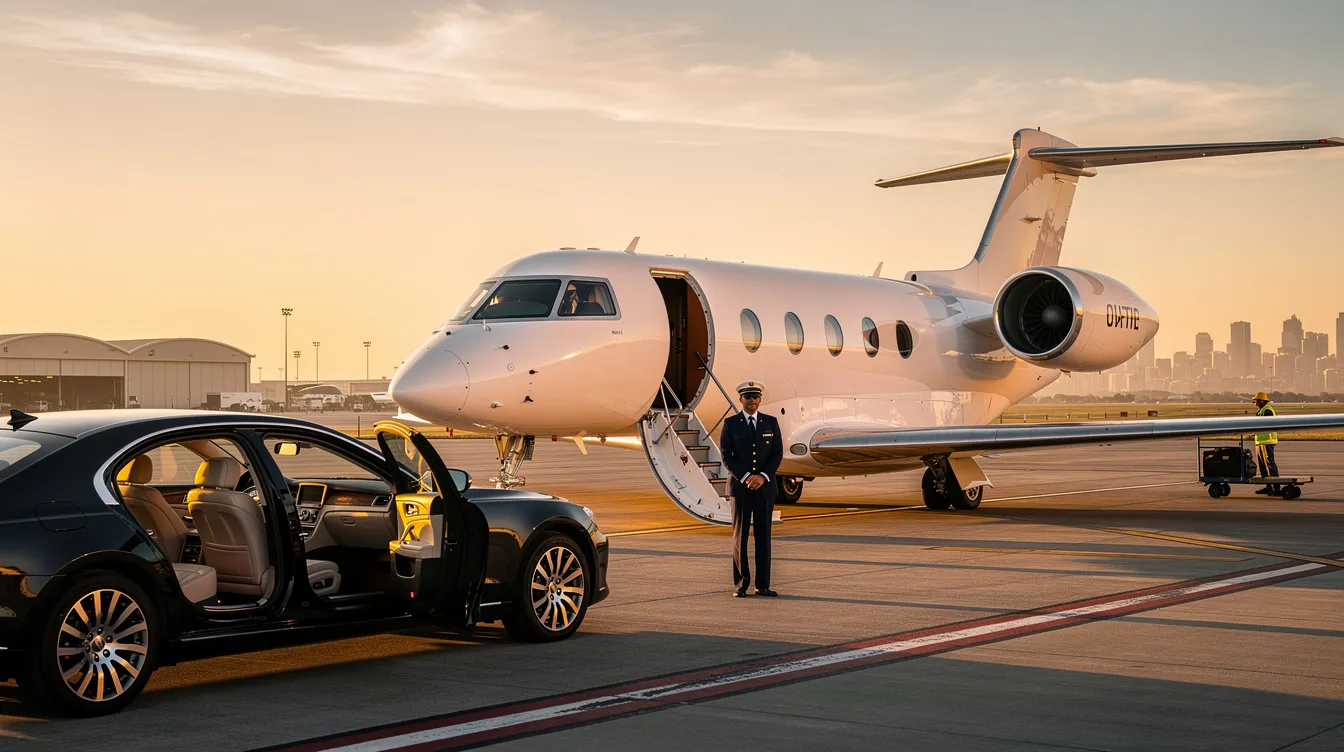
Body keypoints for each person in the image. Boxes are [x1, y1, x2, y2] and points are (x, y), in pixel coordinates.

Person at [719, 380, 783, 597]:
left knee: (764, 537)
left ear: (760, 400)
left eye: (756, 397)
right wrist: (747, 477)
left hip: (765, 488)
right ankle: (740, 584)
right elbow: (727, 456)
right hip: (741, 488)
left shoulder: (770, 423)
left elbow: (777, 454)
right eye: (748, 397)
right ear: (741, 400)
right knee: (740, 537)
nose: (752, 401)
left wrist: (762, 477)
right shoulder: (731, 424)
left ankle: (763, 585)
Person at [1251, 391, 1281, 496]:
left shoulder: (1267, 410)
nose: (1256, 403)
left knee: (1270, 464)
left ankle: (1276, 488)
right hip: (1260, 441)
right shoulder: (1260, 411)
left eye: (1258, 401)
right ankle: (1268, 487)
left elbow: (1267, 425)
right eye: (1255, 401)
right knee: (1262, 465)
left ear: (1263, 401)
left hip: (1268, 441)